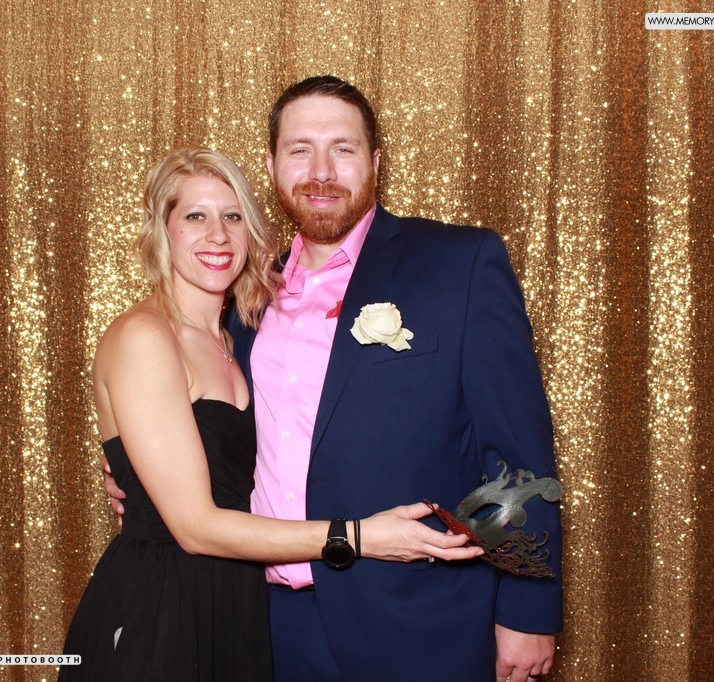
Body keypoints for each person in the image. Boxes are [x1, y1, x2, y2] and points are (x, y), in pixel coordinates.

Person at [62, 146, 483, 681]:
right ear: (162, 230)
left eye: (233, 216)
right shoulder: (145, 336)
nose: (218, 235)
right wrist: (360, 537)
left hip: (239, 604)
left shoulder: (236, 337)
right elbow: (194, 526)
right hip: (164, 606)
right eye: (196, 216)